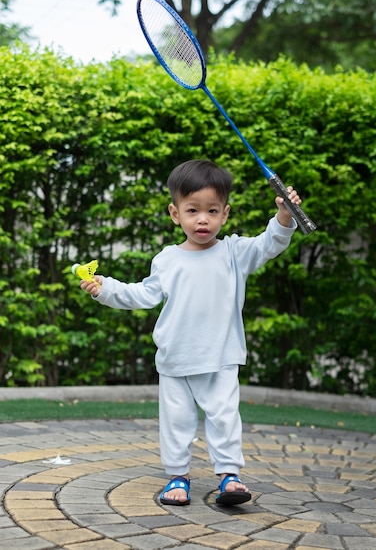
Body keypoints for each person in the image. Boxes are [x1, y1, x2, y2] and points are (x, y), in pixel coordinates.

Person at [79, 159, 301, 507]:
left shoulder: (234, 253)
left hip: (221, 357)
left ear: (225, 214)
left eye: (212, 211)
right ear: (175, 213)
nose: (202, 219)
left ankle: (230, 477)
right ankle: (177, 478)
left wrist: (284, 217)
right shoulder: (167, 259)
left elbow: (268, 244)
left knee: (225, 418)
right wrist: (105, 288)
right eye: (193, 210)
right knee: (177, 423)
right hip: (175, 358)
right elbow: (142, 294)